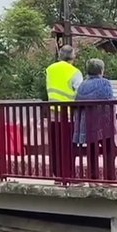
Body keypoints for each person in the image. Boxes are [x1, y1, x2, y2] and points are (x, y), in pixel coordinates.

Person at [72, 58, 116, 181]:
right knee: (109, 149)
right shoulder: (105, 83)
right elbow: (109, 98)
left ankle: (93, 177)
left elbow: (77, 100)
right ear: (101, 70)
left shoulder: (82, 85)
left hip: (87, 124)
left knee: (91, 150)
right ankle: (110, 177)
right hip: (104, 122)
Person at [45, 45, 83, 179]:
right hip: (69, 115)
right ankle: (69, 175)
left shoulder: (50, 69)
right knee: (68, 147)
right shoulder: (75, 72)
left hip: (53, 113)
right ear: (73, 57)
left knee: (55, 147)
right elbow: (81, 92)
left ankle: (57, 175)